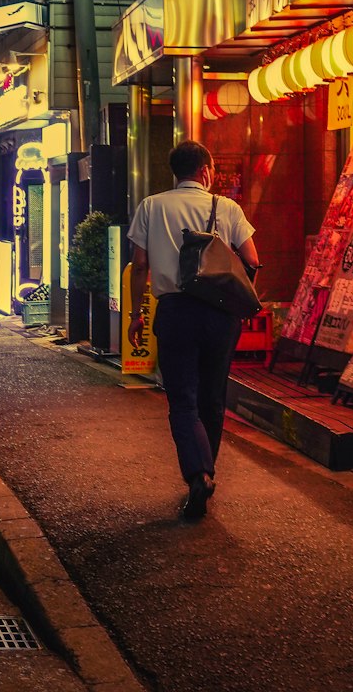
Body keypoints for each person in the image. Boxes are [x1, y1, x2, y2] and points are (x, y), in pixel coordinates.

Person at [127, 140, 259, 522]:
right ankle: (206, 473)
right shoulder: (227, 208)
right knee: (212, 398)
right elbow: (252, 259)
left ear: (176, 171)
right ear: (205, 171)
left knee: (182, 399)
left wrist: (137, 314)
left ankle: (198, 474)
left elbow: (139, 266)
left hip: (175, 311)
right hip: (220, 315)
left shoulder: (152, 206)